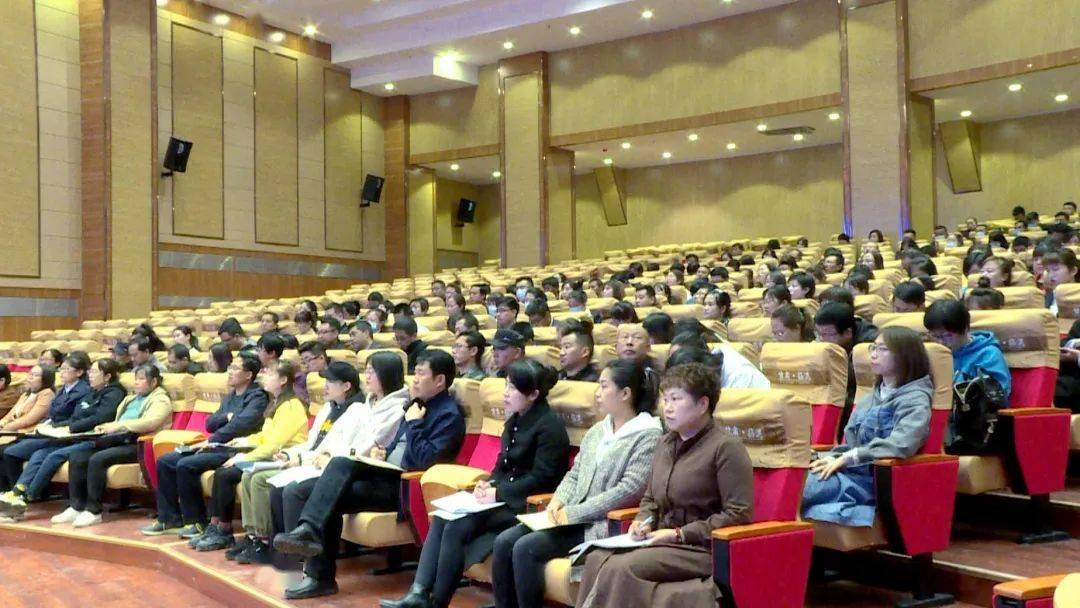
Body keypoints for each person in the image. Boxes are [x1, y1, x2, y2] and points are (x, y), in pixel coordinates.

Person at [380, 360, 570, 608]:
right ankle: (418, 592)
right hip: (503, 497)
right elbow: (503, 465)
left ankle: (437, 602)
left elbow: (542, 479)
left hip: (527, 505)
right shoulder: (515, 419)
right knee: (443, 516)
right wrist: (487, 484)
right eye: (506, 386)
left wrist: (498, 492)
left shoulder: (549, 426)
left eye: (512, 389)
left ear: (533, 394)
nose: (505, 393)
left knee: (458, 525)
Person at [275, 351, 462, 599]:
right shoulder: (416, 405)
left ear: (439, 381)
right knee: (304, 490)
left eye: (420, 374)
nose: (414, 380)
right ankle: (318, 575)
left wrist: (415, 424)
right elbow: (398, 448)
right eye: (414, 373)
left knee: (339, 466)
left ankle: (310, 535)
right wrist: (383, 453)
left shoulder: (449, 415)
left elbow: (426, 461)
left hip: (406, 488)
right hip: (386, 475)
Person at [575, 362, 753, 608]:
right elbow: (650, 497)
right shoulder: (665, 442)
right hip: (659, 539)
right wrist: (642, 521)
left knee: (621, 567)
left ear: (703, 404)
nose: (666, 408)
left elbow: (738, 513)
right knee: (596, 558)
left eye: (675, 399)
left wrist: (680, 534)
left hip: (699, 547)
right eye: (665, 400)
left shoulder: (725, 447)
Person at [491, 360, 662, 608]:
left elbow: (628, 490)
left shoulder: (648, 435)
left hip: (598, 523)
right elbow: (574, 474)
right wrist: (558, 500)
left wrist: (574, 512)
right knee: (504, 541)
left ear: (625, 394)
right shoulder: (597, 430)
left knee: (526, 548)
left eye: (604, 386)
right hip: (569, 516)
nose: (597, 393)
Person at [233, 359, 376, 568]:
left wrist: (300, 459)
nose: (325, 386)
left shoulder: (357, 412)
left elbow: (338, 451)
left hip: (327, 468)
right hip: (309, 461)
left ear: (346, 386)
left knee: (276, 485)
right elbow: (311, 443)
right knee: (265, 481)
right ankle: (271, 542)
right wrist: (290, 454)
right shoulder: (328, 408)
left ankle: (288, 549)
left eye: (330, 382)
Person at [802, 327, 933, 526]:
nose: (873, 354)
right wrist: (829, 457)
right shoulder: (872, 396)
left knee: (796, 488)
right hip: (847, 471)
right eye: (873, 347)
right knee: (791, 475)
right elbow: (850, 444)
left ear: (905, 355)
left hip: (870, 481)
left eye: (882, 349)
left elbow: (901, 444)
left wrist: (849, 458)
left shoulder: (916, 399)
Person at [142, 353, 268, 538]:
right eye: (230, 367)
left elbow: (241, 425)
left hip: (237, 449)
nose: (230, 372)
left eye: (235, 368)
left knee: (186, 464)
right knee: (165, 461)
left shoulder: (257, 396)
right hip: (217, 444)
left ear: (249, 375)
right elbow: (210, 423)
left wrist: (211, 439)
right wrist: (226, 417)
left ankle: (197, 521)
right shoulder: (231, 396)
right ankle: (169, 519)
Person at [194, 360, 310, 552]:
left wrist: (243, 458)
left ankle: (246, 534)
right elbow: (264, 436)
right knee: (228, 472)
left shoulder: (291, 406)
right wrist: (242, 442)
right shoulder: (277, 402)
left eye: (269, 373)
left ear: (282, 380)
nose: (263, 375)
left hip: (284, 459)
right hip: (270, 455)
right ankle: (250, 534)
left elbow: (274, 445)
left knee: (229, 474)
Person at [59, 364, 173, 527]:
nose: (136, 383)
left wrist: (119, 426)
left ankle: (93, 511)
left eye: (141, 379)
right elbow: (118, 421)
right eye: (136, 379)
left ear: (154, 382)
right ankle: (76, 506)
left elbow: (150, 422)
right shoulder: (131, 398)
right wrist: (107, 426)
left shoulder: (160, 399)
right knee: (78, 456)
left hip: (139, 443)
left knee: (98, 459)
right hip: (117, 438)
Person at [923, 300, 1012, 447]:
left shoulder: (988, 355)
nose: (940, 343)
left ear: (964, 329)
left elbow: (996, 397)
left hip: (971, 427)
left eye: (946, 336)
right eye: (934, 336)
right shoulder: (934, 354)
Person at [815, 302, 877, 440]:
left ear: (848, 333)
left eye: (827, 335)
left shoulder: (870, 346)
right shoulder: (827, 343)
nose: (821, 340)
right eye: (819, 334)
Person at [0, 364, 55, 434]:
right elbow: (10, 415)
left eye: (35, 375)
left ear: (46, 379)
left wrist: (5, 428)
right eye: (30, 374)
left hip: (29, 432)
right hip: (12, 430)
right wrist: (2, 423)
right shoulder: (25, 395)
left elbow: (29, 419)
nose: (30, 377)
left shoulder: (47, 394)